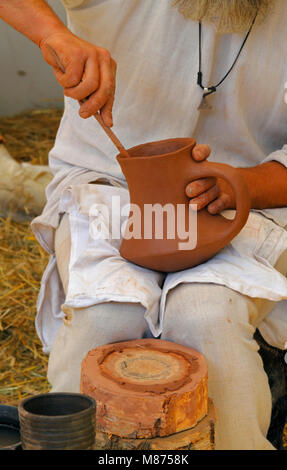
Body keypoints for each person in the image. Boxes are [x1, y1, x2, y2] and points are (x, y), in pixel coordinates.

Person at [1, 0, 287, 450]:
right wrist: (52, 33)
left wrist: (245, 184)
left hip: (247, 196)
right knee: (102, 320)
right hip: (105, 183)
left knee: (208, 319)